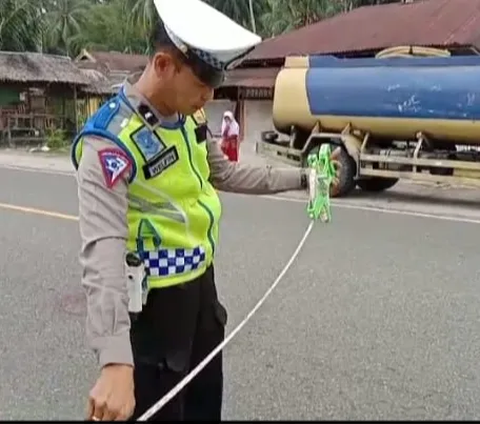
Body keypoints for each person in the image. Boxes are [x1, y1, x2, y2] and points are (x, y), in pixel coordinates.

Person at [71, 0, 341, 421]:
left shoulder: (188, 118)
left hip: (201, 298)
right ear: (163, 65)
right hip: (155, 314)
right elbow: (101, 255)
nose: (210, 95)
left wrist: (303, 179)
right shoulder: (109, 143)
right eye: (202, 81)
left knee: (204, 409)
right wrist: (114, 361)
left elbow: (225, 174)